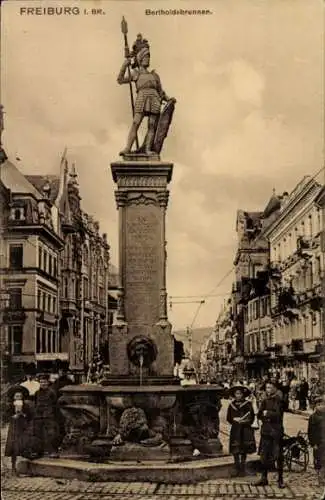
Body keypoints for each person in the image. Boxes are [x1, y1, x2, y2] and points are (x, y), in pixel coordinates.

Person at [117, 40, 174, 155]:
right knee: (135, 123)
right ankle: (128, 148)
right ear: (140, 58)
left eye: (149, 56)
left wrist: (168, 99)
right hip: (142, 98)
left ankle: (148, 149)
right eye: (146, 56)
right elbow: (120, 80)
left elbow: (160, 92)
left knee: (152, 125)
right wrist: (124, 65)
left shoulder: (154, 75)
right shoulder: (136, 73)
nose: (148, 59)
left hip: (154, 99)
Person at [256, 380, 285, 488]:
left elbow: (278, 415)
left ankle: (280, 480)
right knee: (264, 455)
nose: (268, 390)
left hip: (276, 432)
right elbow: (259, 415)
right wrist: (263, 414)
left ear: (275, 388)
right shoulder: (265, 400)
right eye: (267, 388)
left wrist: (267, 413)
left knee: (278, 456)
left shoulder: (279, 400)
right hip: (266, 431)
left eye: (270, 387)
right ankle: (264, 478)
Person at [227, 385, 256, 477]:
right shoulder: (231, 405)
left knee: (244, 449)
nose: (238, 395)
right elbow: (229, 417)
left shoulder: (247, 404)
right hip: (236, 429)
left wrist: (244, 421)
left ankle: (243, 467)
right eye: (236, 394)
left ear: (243, 395)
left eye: (240, 394)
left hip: (245, 429)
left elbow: (251, 417)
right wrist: (234, 420)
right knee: (236, 448)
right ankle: (237, 467)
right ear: (234, 395)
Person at [4, 386, 33, 475]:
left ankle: (27, 467)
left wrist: (23, 414)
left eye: (20, 396)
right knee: (14, 445)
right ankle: (13, 467)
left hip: (23, 426)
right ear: (13, 397)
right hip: (14, 426)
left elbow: (29, 416)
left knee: (24, 444)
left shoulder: (25, 405)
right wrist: (13, 416)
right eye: (17, 396)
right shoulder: (10, 406)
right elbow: (6, 416)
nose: (18, 398)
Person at [32, 373, 60, 457]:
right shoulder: (37, 393)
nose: (43, 384)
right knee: (38, 433)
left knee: (51, 434)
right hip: (38, 416)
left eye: (45, 382)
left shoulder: (52, 392)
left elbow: (55, 404)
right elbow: (36, 403)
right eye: (41, 382)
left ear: (48, 383)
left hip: (49, 415)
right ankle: (39, 451)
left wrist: (52, 414)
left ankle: (52, 451)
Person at [308, 394, 325, 491]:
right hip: (317, 443)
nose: (321, 406)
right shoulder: (313, 417)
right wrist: (313, 443)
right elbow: (310, 431)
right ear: (315, 406)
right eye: (318, 404)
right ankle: (319, 478)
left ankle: (322, 477)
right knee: (318, 461)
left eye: (322, 404)